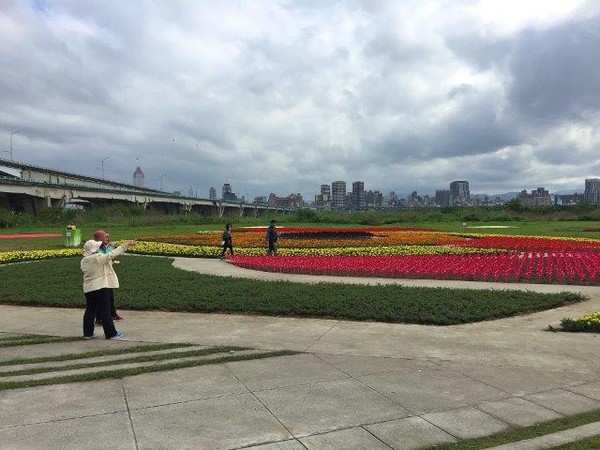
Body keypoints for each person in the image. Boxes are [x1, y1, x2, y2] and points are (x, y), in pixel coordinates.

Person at [81, 238, 135, 340]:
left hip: (88, 289)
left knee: (90, 311)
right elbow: (111, 254)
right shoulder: (98, 257)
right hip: (100, 288)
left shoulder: (84, 261)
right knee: (105, 311)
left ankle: (88, 333)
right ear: (95, 249)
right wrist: (124, 246)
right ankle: (111, 334)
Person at [92, 229, 123, 324]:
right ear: (100, 239)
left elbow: (110, 255)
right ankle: (99, 318)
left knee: (110, 296)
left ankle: (112, 314)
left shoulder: (107, 247)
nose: (107, 238)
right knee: (102, 298)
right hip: (100, 276)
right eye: (105, 237)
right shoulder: (96, 250)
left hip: (108, 275)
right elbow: (102, 258)